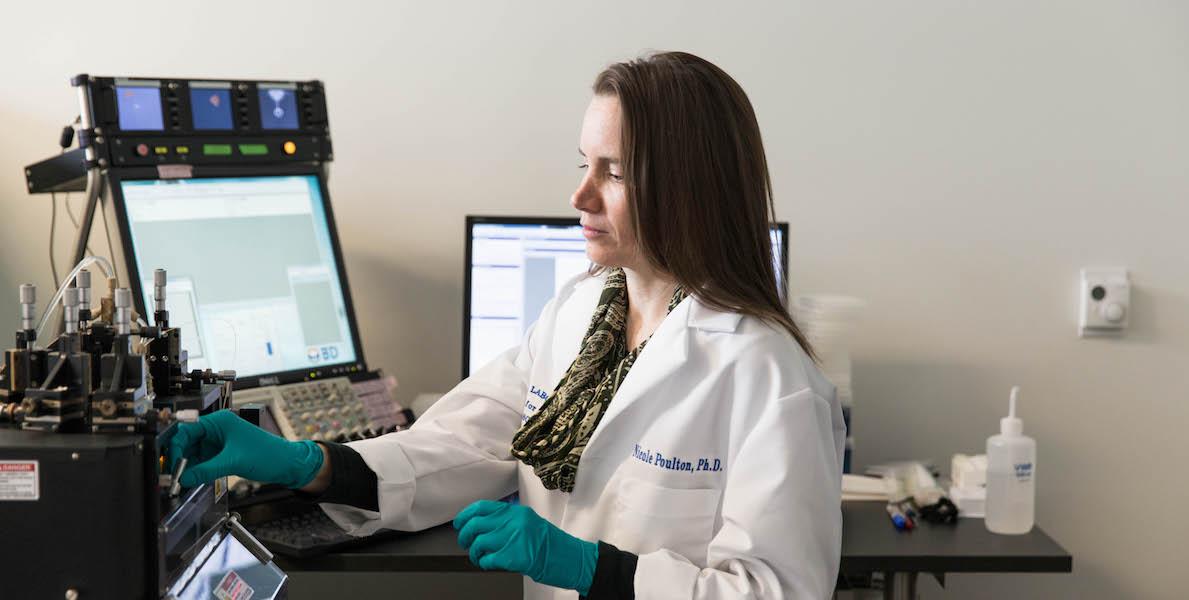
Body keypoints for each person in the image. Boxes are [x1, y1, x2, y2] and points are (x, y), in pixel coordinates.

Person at [169, 51, 846, 600]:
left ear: (686, 188)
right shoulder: (578, 316)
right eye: (585, 164)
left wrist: (596, 570)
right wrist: (304, 462)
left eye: (613, 173)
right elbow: (460, 448)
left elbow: (775, 591)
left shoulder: (768, 374)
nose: (579, 196)